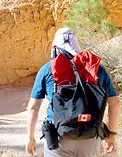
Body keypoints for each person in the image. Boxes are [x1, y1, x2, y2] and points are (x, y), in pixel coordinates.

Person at [26, 28, 120, 156]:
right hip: (90, 135)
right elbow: (114, 103)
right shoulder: (96, 69)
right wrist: (111, 135)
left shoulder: (47, 69)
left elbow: (33, 107)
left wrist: (30, 138)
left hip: (58, 137)